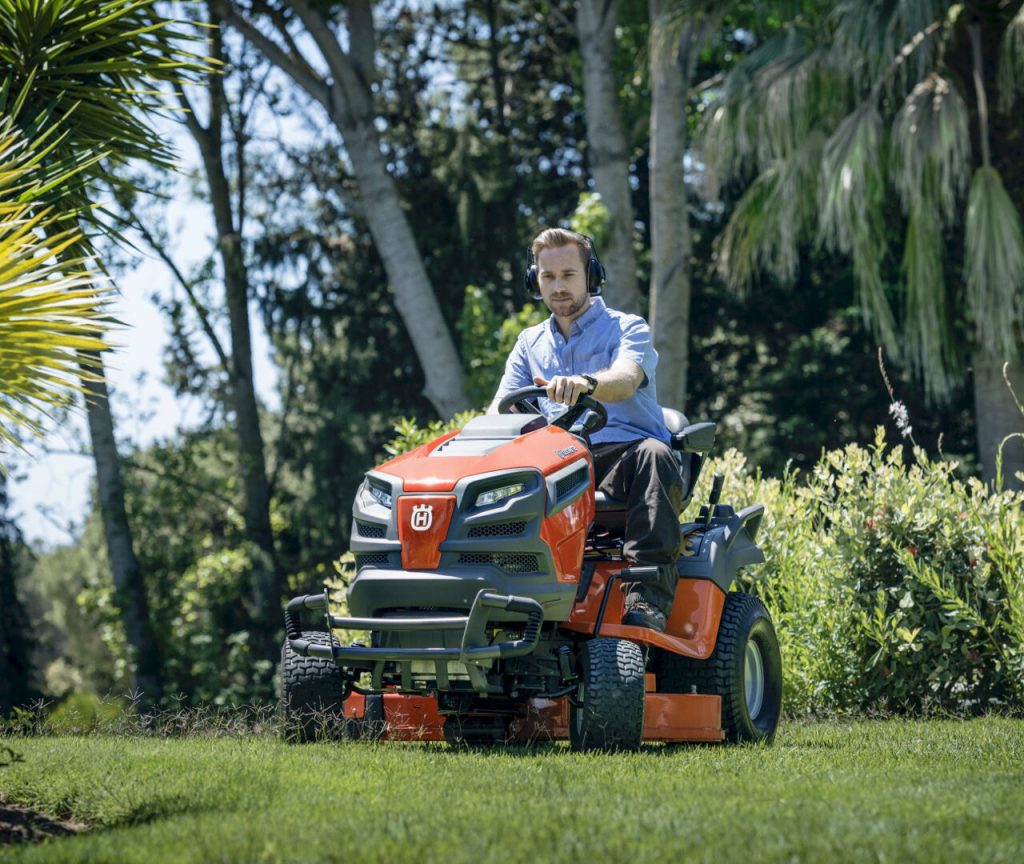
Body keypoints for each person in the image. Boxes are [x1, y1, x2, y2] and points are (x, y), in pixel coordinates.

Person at [489, 227, 683, 632]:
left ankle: (646, 602)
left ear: (591, 276)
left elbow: (626, 378)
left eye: (568, 275)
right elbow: (499, 412)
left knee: (655, 454)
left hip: (622, 457)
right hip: (555, 462)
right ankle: (499, 600)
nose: (558, 287)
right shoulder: (528, 343)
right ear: (534, 280)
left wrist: (587, 384)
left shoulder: (628, 328)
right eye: (548, 277)